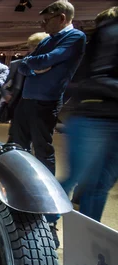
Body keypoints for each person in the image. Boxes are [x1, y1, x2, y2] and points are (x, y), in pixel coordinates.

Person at [53, 7, 118, 225]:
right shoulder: (108, 33)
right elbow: (90, 77)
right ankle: (40, 228)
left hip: (102, 117)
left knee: (99, 186)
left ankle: (88, 239)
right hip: (93, 116)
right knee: (78, 179)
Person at [10, 0, 86, 177]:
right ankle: (24, 180)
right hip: (27, 99)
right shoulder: (47, 40)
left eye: (46, 20)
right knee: (20, 145)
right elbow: (23, 65)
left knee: (42, 148)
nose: (42, 24)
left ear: (61, 18)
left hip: (46, 101)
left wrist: (33, 65)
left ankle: (47, 190)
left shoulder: (75, 37)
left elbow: (47, 60)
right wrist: (34, 66)